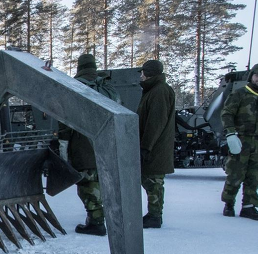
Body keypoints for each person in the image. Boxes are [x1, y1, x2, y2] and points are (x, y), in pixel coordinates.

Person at [60, 53, 122, 236]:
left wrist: (63, 146)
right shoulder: (108, 88)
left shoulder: (74, 86)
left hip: (83, 143)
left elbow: (65, 119)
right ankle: (108, 218)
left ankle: (96, 222)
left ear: (80, 67)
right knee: (106, 182)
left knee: (88, 184)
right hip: (109, 143)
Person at [219, 63, 258, 220]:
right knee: (235, 174)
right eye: (257, 75)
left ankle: (249, 206)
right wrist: (231, 134)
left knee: (255, 175)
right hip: (241, 140)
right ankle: (229, 203)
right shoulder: (240, 94)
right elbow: (227, 114)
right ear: (251, 77)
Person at [136, 59, 175, 228]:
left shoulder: (159, 91)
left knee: (154, 183)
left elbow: (155, 122)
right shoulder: (154, 90)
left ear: (148, 73)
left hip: (155, 148)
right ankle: (154, 214)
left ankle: (154, 216)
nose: (141, 75)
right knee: (151, 181)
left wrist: (146, 147)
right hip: (154, 146)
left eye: (143, 72)